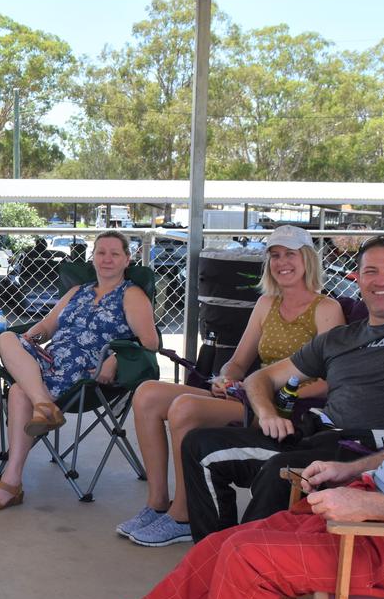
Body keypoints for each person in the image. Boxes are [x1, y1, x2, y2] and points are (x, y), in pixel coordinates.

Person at [14, 273, 384, 599]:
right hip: (378, 520)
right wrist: (350, 471)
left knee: (250, 560)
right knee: (222, 545)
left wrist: (368, 501)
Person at [180, 234, 384, 543]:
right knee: (200, 444)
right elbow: (259, 379)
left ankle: (243, 561)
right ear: (356, 278)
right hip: (318, 436)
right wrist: (266, 414)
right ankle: (215, 551)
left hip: (374, 450)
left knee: (282, 470)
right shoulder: (339, 338)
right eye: (370, 271)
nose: (380, 280)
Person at [118, 225, 344, 545]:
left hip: (286, 407)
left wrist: (281, 393)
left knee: (184, 407)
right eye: (275, 255)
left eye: (290, 254)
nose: (282, 262)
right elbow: (238, 362)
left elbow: (333, 380)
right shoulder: (267, 303)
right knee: (148, 393)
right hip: (252, 394)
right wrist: (226, 377)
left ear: (307, 259)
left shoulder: (326, 308)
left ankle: (183, 515)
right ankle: (157, 504)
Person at [0, 231, 159, 512]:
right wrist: (31, 337)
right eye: (101, 252)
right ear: (93, 257)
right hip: (50, 361)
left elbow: (150, 342)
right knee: (5, 339)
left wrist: (116, 359)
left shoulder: (132, 295)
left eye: (114, 253)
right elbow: (48, 326)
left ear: (127, 259)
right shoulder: (78, 291)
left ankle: (11, 481)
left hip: (87, 371)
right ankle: (43, 405)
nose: (107, 259)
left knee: (17, 390)